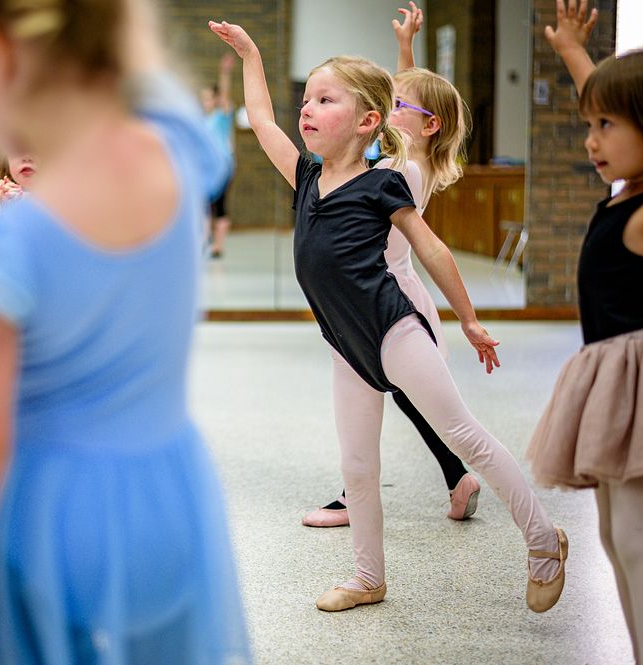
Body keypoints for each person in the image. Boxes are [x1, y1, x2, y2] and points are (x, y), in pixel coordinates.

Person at [0, 0, 250, 662]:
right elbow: (144, 65)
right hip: (171, 497)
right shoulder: (180, 151)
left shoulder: (1, 245)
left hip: (52, 522)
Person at [210, 19, 566, 614]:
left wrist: (470, 320)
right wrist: (250, 55)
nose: (307, 111)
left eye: (325, 100)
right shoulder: (304, 177)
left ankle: (543, 540)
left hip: (395, 330)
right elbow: (264, 120)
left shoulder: (384, 184)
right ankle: (368, 577)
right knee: (357, 466)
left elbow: (431, 250)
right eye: (307, 100)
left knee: (464, 437)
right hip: (345, 343)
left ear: (369, 121)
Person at [527, 2, 643, 662]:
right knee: (615, 533)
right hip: (605, 369)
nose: (591, 140)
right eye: (590, 124)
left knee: (640, 533)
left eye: (606, 127)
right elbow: (608, 100)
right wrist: (571, 51)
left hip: (641, 371)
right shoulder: (627, 187)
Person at [303, 2, 481, 528]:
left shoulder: (403, 167)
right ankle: (454, 476)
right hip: (381, 287)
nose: (391, 107)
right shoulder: (412, 157)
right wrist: (406, 47)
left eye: (400, 105)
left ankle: (357, 493)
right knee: (395, 394)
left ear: (430, 125)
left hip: (384, 294)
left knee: (377, 389)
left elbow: (398, 109)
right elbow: (401, 95)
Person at [201, 53, 235, 258]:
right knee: (205, 205)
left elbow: (225, 94)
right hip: (207, 167)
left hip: (223, 167)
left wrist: (225, 72)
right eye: (202, 98)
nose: (204, 102)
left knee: (220, 205)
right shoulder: (205, 120)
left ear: (215, 99)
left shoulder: (222, 115)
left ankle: (218, 246)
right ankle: (206, 239)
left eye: (207, 98)